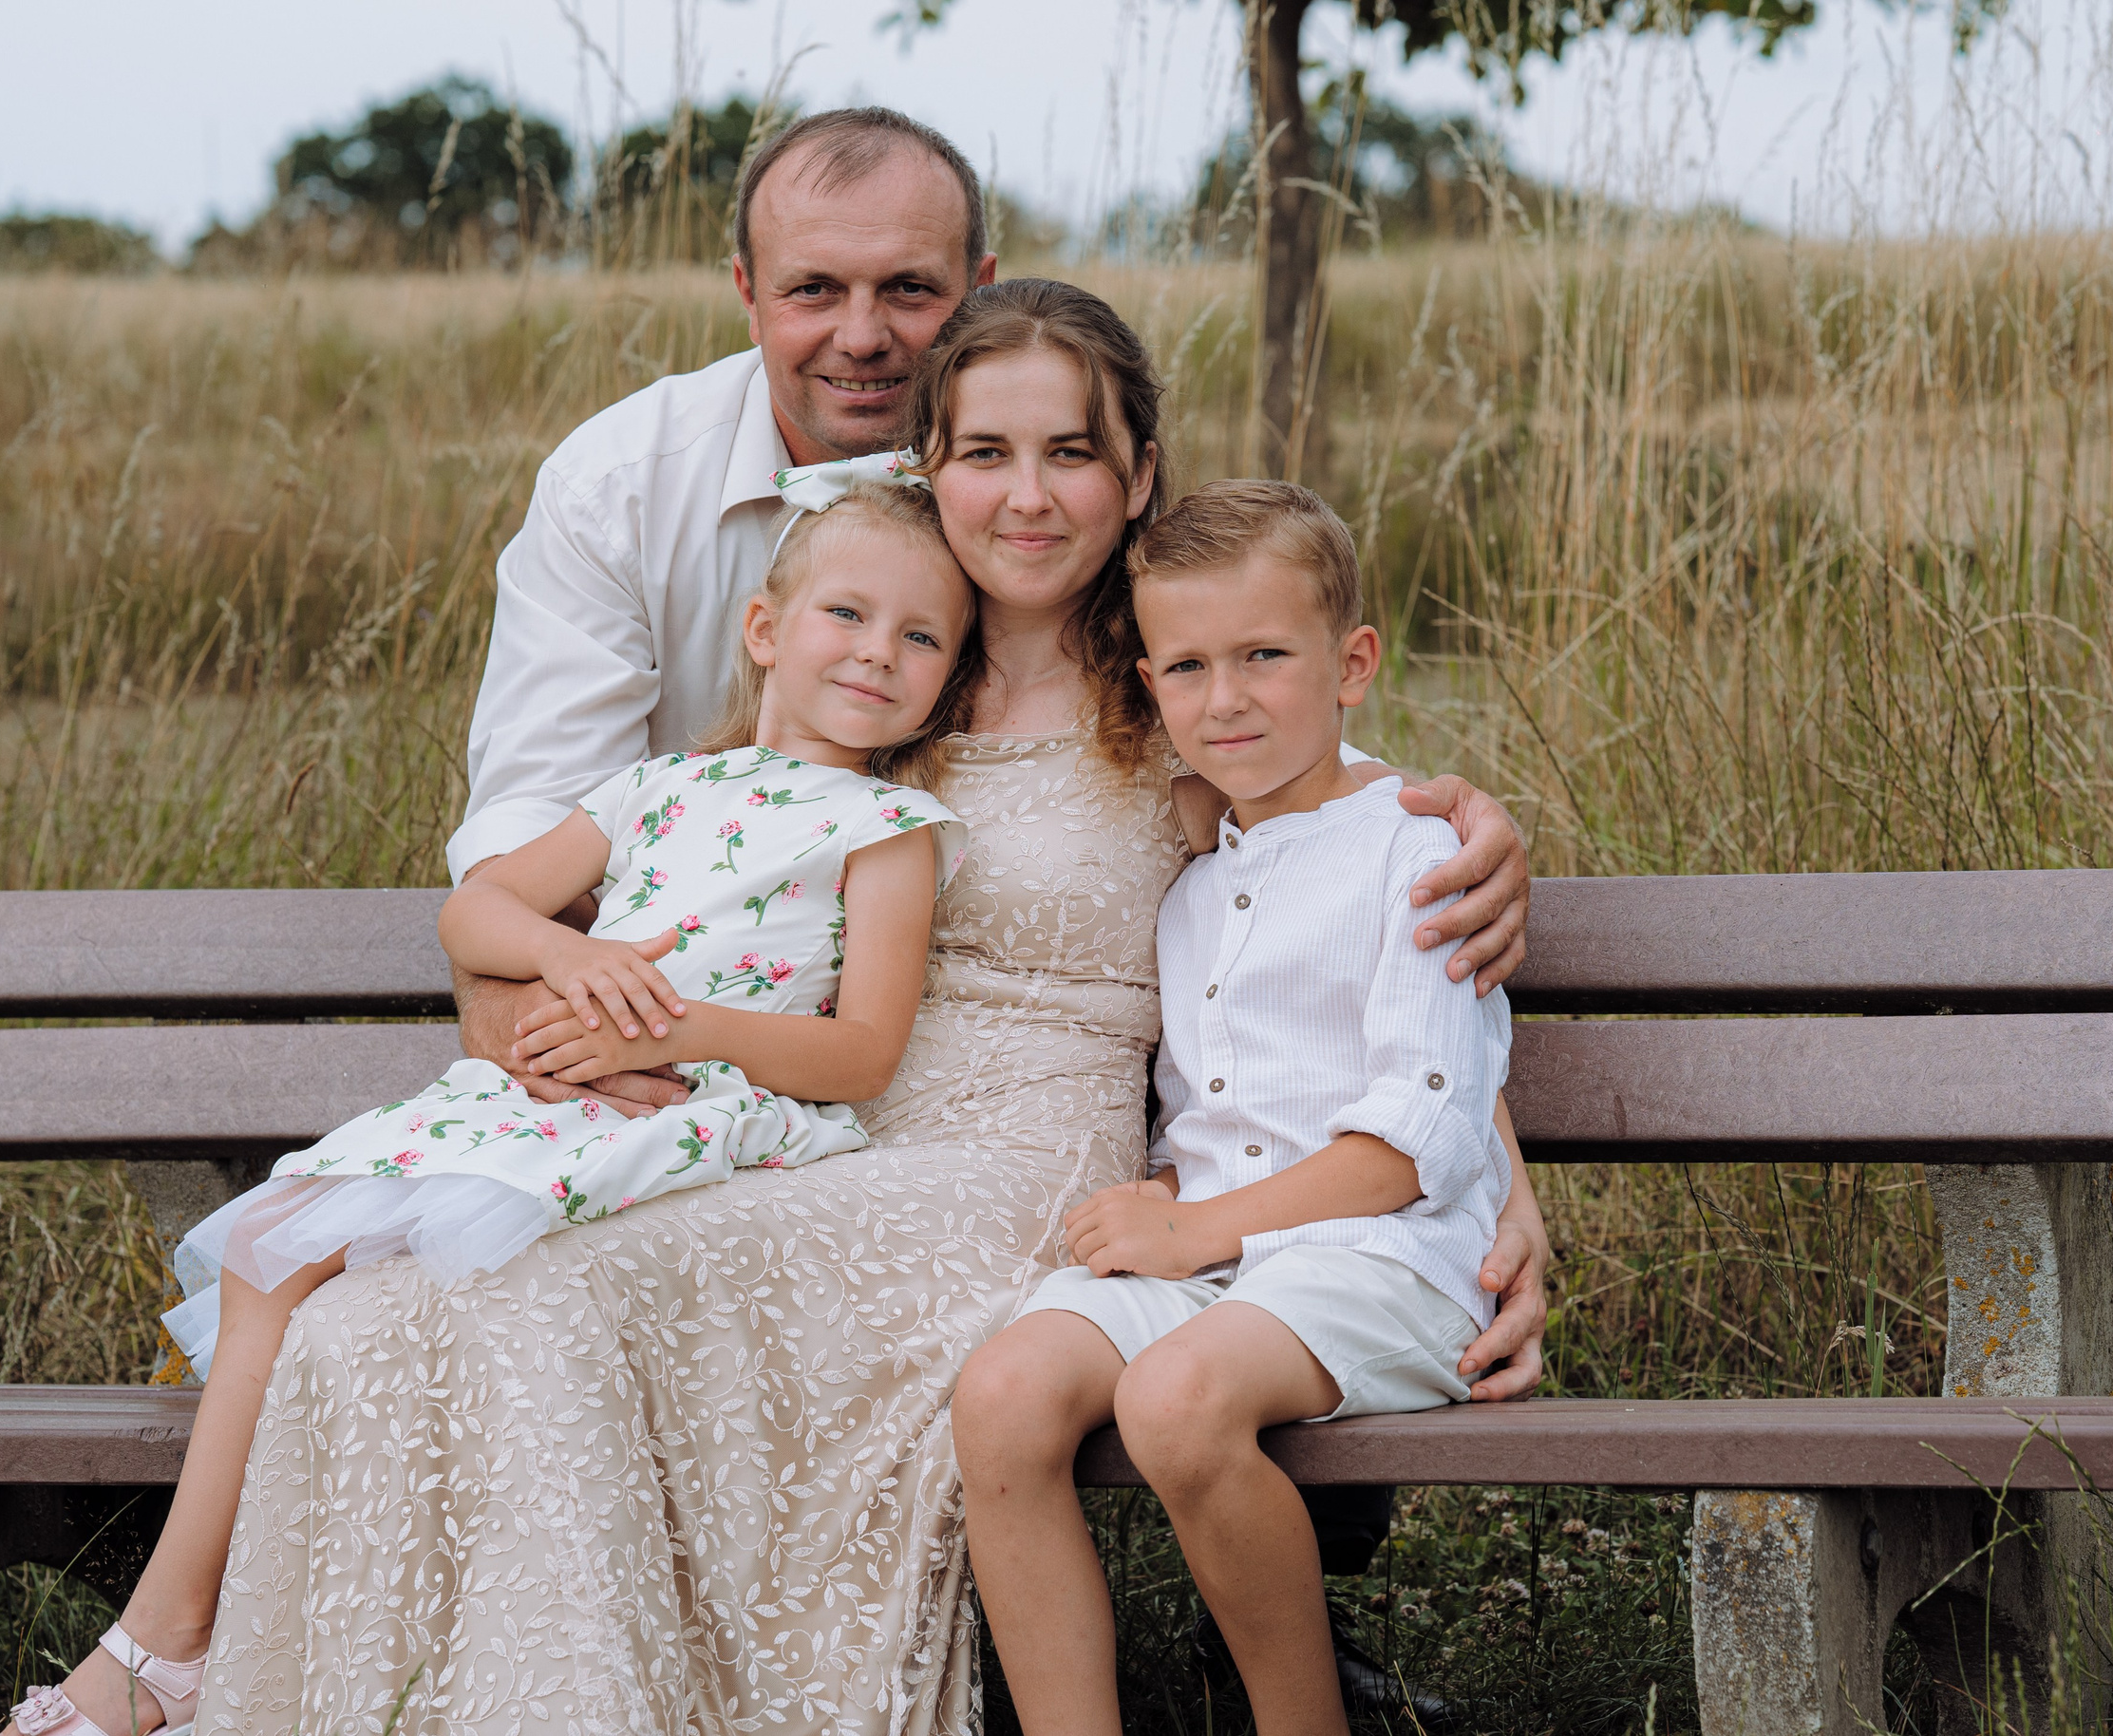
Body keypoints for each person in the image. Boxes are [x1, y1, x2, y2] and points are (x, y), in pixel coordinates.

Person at [439, 104, 1545, 1715]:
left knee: (660, 1288)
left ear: (1137, 472)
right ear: (925, 469)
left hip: (1035, 1158)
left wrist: (1496, 1173)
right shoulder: (879, 675)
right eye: (984, 457)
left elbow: (1363, 882)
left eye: (1073, 455)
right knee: (560, 1272)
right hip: (817, 1113)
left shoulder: (1170, 690)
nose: (1027, 497)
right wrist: (557, 1057)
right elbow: (585, 855)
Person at [0, 481, 975, 1736]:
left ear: (949, 681)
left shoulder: (886, 827)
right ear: (766, 628)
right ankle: (176, 1634)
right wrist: (573, 963)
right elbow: (480, 913)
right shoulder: (657, 789)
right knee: (261, 1248)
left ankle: (161, 1655)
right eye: (849, 612)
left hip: (694, 1104)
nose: (877, 653)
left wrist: (684, 1025)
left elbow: (863, 1053)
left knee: (382, 1284)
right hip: (557, 1094)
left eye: (921, 637)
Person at [954, 479, 1510, 1736]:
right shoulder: (1199, 881)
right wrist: (1163, 1199)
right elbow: (1209, 1107)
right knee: (1001, 1395)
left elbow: (1410, 1151)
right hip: (1217, 1257)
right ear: (1151, 686)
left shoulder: (1416, 855)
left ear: (1352, 662)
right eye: (1190, 667)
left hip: (1384, 1262)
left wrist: (1192, 1233)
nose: (1228, 699)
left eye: (1266, 656)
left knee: (1174, 1399)